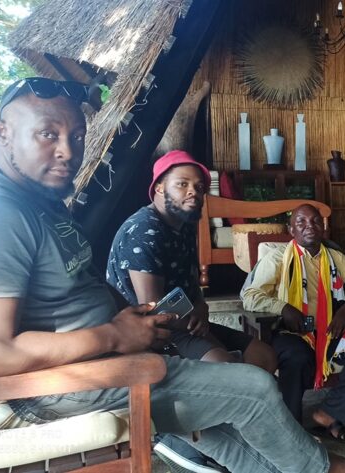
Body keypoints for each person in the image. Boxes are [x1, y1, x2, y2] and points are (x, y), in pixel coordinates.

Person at [0, 77, 345, 473]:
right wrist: (116, 336)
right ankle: (324, 470)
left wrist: (139, 322)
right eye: (47, 134)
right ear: (2, 132)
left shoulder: (38, 199)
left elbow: (90, 287)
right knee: (253, 388)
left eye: (76, 136)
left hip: (107, 356)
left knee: (222, 412)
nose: (69, 152)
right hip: (60, 385)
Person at [105, 150, 279, 470]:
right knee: (231, 374)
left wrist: (200, 307)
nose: (193, 192)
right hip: (151, 334)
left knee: (263, 356)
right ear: (159, 187)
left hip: (184, 321)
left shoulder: (183, 225)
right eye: (182, 184)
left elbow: (191, 286)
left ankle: (245, 439)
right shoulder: (145, 229)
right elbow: (153, 310)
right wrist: (194, 319)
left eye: (199, 187)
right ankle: (181, 440)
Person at [242, 204, 345, 444]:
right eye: (301, 222)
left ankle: (330, 414)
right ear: (291, 230)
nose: (310, 226)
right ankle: (290, 433)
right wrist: (283, 308)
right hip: (291, 333)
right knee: (297, 357)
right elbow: (251, 296)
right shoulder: (277, 258)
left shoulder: (336, 259)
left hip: (330, 332)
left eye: (315, 221)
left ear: (323, 227)